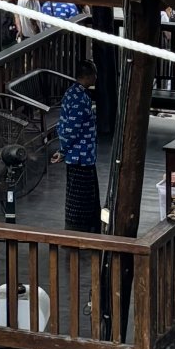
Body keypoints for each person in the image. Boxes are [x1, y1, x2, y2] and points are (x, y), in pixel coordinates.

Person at [57, 60, 101, 231]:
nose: (96, 78)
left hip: (82, 153)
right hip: (80, 155)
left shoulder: (72, 92)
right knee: (81, 196)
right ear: (88, 76)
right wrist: (63, 149)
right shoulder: (80, 98)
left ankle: (86, 226)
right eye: (94, 74)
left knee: (86, 193)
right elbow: (71, 128)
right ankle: (79, 228)